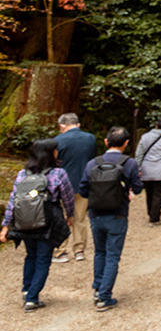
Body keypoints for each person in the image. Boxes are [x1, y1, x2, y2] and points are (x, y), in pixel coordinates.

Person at [0, 139, 74, 311]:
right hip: (47, 223)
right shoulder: (58, 173)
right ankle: (32, 298)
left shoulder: (22, 174)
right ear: (51, 153)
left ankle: (27, 290)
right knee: (43, 259)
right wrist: (70, 216)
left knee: (30, 256)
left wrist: (6, 225)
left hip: (25, 222)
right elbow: (68, 198)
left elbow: (13, 201)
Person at [81, 126, 143, 311]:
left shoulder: (92, 163)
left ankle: (98, 288)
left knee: (100, 253)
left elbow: (83, 190)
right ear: (126, 143)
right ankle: (104, 297)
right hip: (118, 214)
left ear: (106, 142)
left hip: (95, 215)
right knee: (113, 256)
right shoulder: (129, 163)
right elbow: (139, 188)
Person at [52, 113, 97, 263]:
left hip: (63, 185)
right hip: (84, 182)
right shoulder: (90, 138)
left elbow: (54, 163)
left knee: (62, 217)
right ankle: (79, 250)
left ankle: (61, 250)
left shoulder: (57, 141)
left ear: (62, 126)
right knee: (80, 217)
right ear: (77, 124)